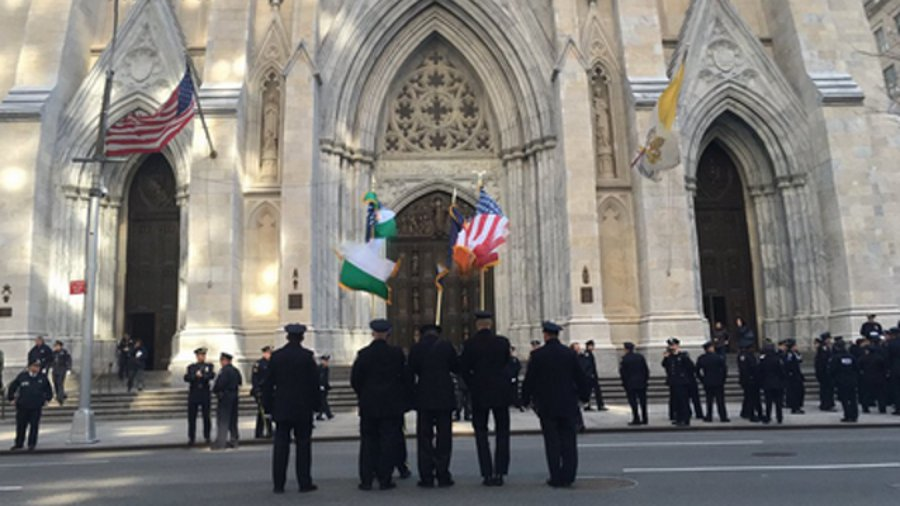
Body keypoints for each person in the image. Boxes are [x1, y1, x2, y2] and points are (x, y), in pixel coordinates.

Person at [522, 321, 591, 488]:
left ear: (545, 335)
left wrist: (524, 399)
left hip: (546, 405)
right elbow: (580, 377)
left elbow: (530, 380)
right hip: (568, 403)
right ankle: (568, 475)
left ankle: (555, 476)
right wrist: (584, 396)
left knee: (552, 441)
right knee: (569, 440)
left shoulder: (538, 355)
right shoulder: (569, 354)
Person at [351, 319, 410, 491]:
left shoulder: (363, 354)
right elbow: (405, 378)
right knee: (388, 441)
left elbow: (355, 380)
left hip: (369, 405)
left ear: (372, 333)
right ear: (388, 334)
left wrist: (364, 395)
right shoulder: (396, 353)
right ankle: (385, 479)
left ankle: (367, 480)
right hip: (391, 406)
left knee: (368, 442)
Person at [263, 323, 321, 494]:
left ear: (287, 337)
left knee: (281, 446)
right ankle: (304, 482)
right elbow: (314, 384)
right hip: (303, 408)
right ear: (302, 337)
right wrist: (317, 405)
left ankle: (278, 484)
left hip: (282, 408)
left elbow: (268, 383)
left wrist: (268, 406)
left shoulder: (277, 356)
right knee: (303, 445)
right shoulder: (307, 356)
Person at [459, 310, 512, 487]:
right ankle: (500, 472)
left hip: (479, 393)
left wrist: (472, 384)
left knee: (481, 433)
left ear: (477, 325)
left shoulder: (470, 344)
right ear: (490, 324)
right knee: (502, 432)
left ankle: (487, 473)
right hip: (500, 393)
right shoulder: (502, 342)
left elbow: (463, 369)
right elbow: (509, 365)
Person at [408, 324, 459, 488]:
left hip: (424, 397)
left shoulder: (416, 348)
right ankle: (443, 474)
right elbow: (456, 367)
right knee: (444, 437)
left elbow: (410, 371)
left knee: (424, 438)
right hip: (444, 397)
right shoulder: (446, 346)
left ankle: (426, 476)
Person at [7, 360, 52, 451]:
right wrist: (11, 398)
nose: (36, 368)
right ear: (29, 367)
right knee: (21, 425)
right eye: (34, 366)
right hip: (23, 405)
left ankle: (32, 444)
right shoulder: (22, 376)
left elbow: (48, 390)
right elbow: (12, 387)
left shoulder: (42, 378)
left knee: (34, 426)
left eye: (38, 366)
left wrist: (46, 399)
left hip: (36, 406)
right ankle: (19, 443)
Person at [184, 347, 215, 446]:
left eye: (203, 355)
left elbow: (211, 375)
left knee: (206, 417)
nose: (201, 357)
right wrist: (195, 376)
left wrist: (203, 376)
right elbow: (187, 377)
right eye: (200, 355)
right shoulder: (191, 367)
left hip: (205, 394)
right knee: (192, 418)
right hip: (194, 394)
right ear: (197, 356)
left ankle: (207, 436)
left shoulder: (208, 366)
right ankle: (191, 437)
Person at [212, 352, 242, 449]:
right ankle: (234, 440)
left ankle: (221, 442)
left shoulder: (224, 371)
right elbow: (239, 382)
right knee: (233, 419)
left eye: (222, 360)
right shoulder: (235, 370)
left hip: (225, 397)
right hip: (234, 395)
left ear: (225, 361)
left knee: (223, 420)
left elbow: (220, 384)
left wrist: (215, 390)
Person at [662, 338, 693, 427]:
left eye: (673, 345)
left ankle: (685, 419)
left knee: (683, 401)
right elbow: (665, 365)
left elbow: (690, 368)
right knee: (676, 401)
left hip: (682, 382)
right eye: (670, 345)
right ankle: (678, 418)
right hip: (673, 382)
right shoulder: (670, 357)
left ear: (677, 346)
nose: (671, 347)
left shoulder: (683, 356)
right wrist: (665, 357)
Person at [696, 341, 729, 422]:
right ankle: (723, 416)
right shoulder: (718, 357)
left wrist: (702, 379)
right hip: (718, 382)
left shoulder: (702, 358)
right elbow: (724, 369)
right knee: (720, 400)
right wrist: (723, 379)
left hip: (707, 381)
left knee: (709, 400)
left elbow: (697, 370)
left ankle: (709, 416)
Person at [618, 342, 649, 426]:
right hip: (641, 383)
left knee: (633, 402)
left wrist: (624, 383)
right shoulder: (640, 357)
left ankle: (636, 418)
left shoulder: (625, 359)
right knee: (643, 401)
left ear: (626, 349)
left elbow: (623, 373)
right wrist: (645, 380)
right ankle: (645, 418)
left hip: (630, 384)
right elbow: (645, 370)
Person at [830, 339, 859, 422]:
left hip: (841, 381)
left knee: (844, 399)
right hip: (852, 381)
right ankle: (854, 415)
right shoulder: (851, 357)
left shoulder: (836, 358)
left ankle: (847, 415)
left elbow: (832, 370)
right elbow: (856, 368)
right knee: (853, 399)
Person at [758, 342, 785, 424]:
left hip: (767, 384)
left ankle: (768, 416)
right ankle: (779, 417)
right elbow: (782, 371)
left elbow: (760, 372)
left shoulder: (763, 360)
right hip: (778, 384)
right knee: (778, 402)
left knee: (768, 402)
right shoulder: (777, 359)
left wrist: (761, 383)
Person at [858, 343, 888, 414]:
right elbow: (884, 368)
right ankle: (882, 408)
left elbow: (859, 367)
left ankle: (865, 408)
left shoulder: (863, 358)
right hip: (879, 378)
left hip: (867, 378)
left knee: (866, 393)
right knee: (881, 394)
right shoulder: (879, 358)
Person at [251, 346, 273, 437]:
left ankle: (269, 430)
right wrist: (257, 390)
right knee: (261, 412)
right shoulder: (259, 364)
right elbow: (255, 379)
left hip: (270, 391)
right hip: (262, 391)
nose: (269, 355)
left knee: (268, 412)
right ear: (264, 353)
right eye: (268, 353)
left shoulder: (272, 363)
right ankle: (259, 432)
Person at [738, 344, 762, 422]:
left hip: (751, 380)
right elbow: (746, 369)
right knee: (751, 397)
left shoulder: (748, 355)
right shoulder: (745, 356)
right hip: (749, 380)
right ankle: (751, 414)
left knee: (748, 397)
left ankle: (745, 412)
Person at [582, 341, 607, 411]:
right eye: (592, 346)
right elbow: (587, 365)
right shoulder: (587, 354)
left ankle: (600, 405)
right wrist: (590, 374)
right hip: (590, 376)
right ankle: (588, 405)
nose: (593, 347)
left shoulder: (589, 354)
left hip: (592, 375)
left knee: (596, 391)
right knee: (589, 391)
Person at [815, 333, 836, 411]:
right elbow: (823, 361)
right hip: (825, 373)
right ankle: (826, 404)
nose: (829, 341)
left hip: (826, 373)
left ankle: (828, 403)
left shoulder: (826, 348)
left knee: (828, 389)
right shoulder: (823, 348)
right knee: (826, 390)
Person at [49, 340, 71, 406]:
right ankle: (61, 394)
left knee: (60, 383)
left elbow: (68, 360)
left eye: (57, 346)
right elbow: (51, 361)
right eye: (55, 346)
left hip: (62, 369)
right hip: (55, 370)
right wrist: (50, 367)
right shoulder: (54, 353)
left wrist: (68, 369)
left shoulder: (64, 353)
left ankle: (60, 398)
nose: (56, 347)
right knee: (55, 383)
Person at [886, 328, 900, 415]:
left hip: (895, 368)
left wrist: (888, 369)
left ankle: (898, 407)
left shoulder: (891, 344)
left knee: (897, 389)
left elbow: (887, 358)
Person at [316, 354, 334, 422]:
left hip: (324, 387)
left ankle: (320, 415)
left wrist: (327, 386)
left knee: (322, 402)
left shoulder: (326, 368)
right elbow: (320, 378)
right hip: (321, 387)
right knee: (323, 401)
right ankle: (328, 414)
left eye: (327, 361)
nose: (327, 362)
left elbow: (325, 379)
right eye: (325, 361)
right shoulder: (320, 368)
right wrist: (321, 385)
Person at [506, 346, 523, 412]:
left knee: (514, 392)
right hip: (506, 378)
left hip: (514, 378)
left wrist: (514, 375)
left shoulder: (514, 359)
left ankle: (517, 403)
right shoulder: (505, 359)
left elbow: (518, 367)